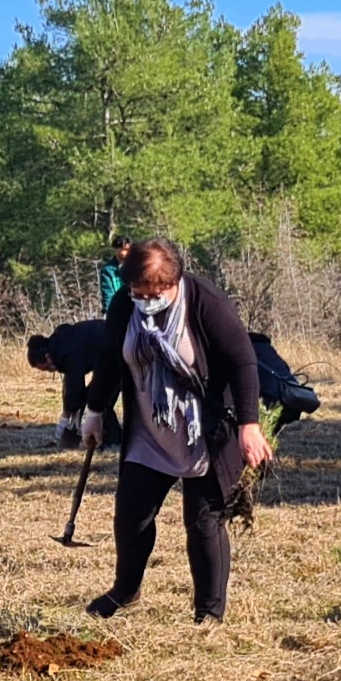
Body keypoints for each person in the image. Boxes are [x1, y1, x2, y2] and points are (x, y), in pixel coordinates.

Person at [74, 242, 271, 624]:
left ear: (175, 281)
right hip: (151, 430)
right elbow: (111, 363)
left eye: (155, 294)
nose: (146, 302)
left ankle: (208, 614)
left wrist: (250, 424)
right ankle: (125, 591)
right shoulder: (123, 306)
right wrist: (95, 411)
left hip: (206, 431)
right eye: (139, 294)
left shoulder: (206, 302)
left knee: (203, 522)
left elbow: (243, 361)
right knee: (131, 517)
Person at [26, 315, 116, 441]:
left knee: (98, 398)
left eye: (46, 368)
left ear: (47, 357)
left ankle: (113, 440)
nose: (50, 371)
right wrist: (69, 409)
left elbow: (74, 384)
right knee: (93, 397)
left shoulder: (66, 352)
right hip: (109, 351)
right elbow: (70, 383)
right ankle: (109, 438)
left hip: (117, 351)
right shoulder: (61, 342)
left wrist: (68, 412)